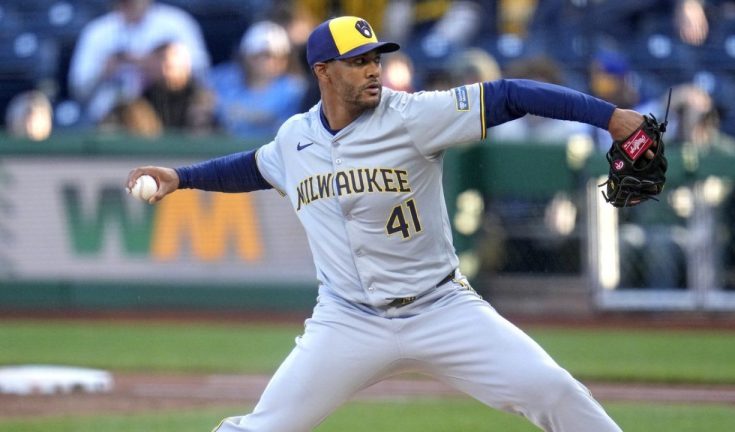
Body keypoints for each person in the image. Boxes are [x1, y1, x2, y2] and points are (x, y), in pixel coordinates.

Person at [127, 16, 649, 432]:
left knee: (553, 392)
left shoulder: (414, 115)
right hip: (346, 321)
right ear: (323, 72)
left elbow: (509, 94)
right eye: (357, 62)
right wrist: (180, 176)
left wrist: (609, 117)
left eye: (376, 58)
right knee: (263, 427)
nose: (373, 69)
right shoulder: (295, 138)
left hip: (441, 308)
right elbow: (251, 167)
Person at [68, 0, 210, 124]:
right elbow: (78, 88)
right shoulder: (97, 31)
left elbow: (201, 70)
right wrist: (103, 71)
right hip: (109, 117)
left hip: (170, 108)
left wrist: (163, 65)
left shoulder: (176, 22)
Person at [207, 20, 306, 139]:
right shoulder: (223, 79)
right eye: (266, 55)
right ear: (248, 56)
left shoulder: (294, 88)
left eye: (281, 55)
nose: (274, 61)